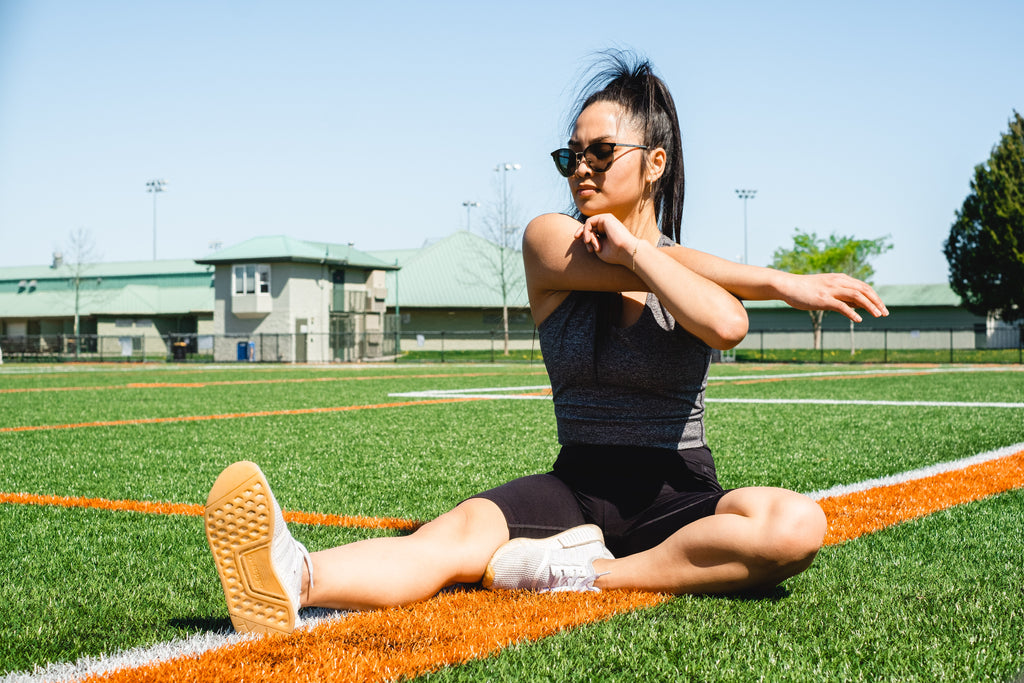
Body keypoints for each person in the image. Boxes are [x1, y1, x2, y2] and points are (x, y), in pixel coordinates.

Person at [204, 51, 889, 635]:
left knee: (795, 524)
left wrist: (646, 254)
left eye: (600, 151)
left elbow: (729, 325)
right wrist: (779, 281)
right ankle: (296, 574)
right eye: (570, 153)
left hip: (674, 491)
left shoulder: (682, 278)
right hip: (575, 485)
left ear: (654, 163)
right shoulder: (546, 241)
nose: (580, 168)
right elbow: (625, 266)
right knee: (457, 535)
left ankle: (594, 577)